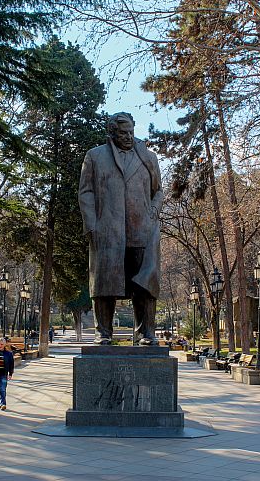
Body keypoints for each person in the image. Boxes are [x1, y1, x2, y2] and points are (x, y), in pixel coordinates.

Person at [78, 112, 164, 345]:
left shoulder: (148, 157)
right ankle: (103, 333)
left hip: (142, 229)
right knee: (105, 282)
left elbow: (158, 191)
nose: (128, 137)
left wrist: (153, 212)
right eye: (123, 133)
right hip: (108, 229)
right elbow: (85, 192)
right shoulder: (95, 156)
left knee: (145, 283)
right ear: (112, 133)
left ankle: (145, 333)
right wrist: (91, 225)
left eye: (131, 132)